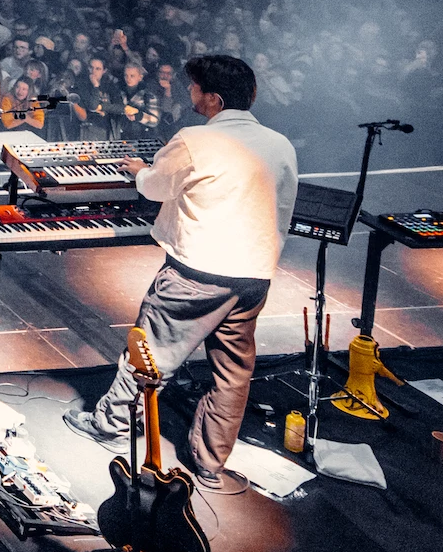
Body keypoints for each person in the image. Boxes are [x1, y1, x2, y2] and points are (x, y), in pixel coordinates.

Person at [64, 53, 296, 494]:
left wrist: (139, 171)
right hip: (254, 275)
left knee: (151, 354)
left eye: (194, 88)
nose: (189, 94)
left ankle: (109, 425)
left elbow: (157, 186)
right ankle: (210, 463)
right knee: (232, 372)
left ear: (213, 98)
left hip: (196, 272)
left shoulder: (194, 139)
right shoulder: (280, 143)